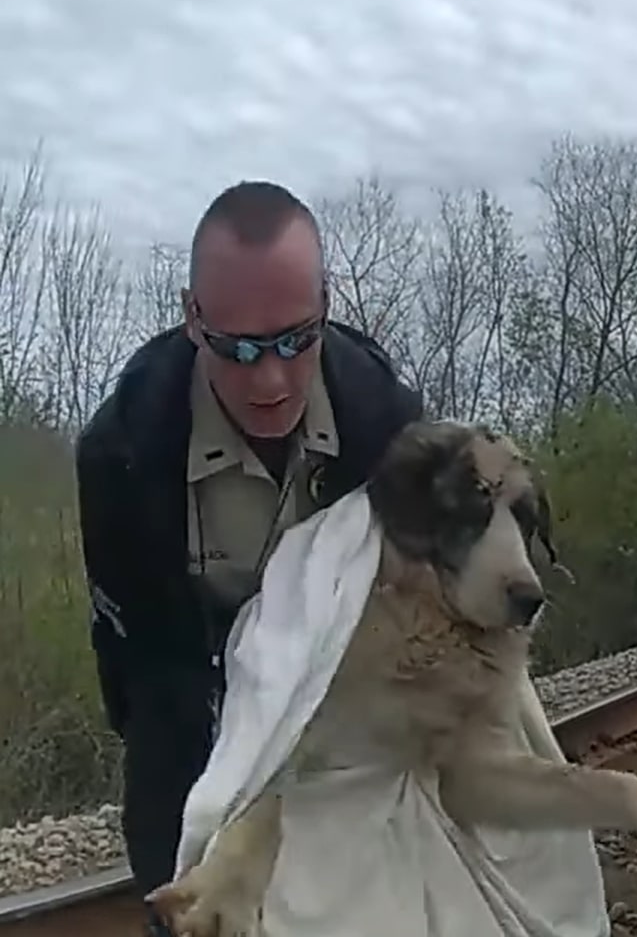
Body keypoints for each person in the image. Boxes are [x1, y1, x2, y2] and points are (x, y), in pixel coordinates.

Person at [74, 181, 423, 935]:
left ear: (327, 302)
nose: (270, 378)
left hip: (352, 716)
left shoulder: (387, 427)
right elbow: (138, 670)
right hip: (192, 713)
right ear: (192, 318)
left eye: (296, 339)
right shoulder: (122, 453)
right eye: (238, 348)